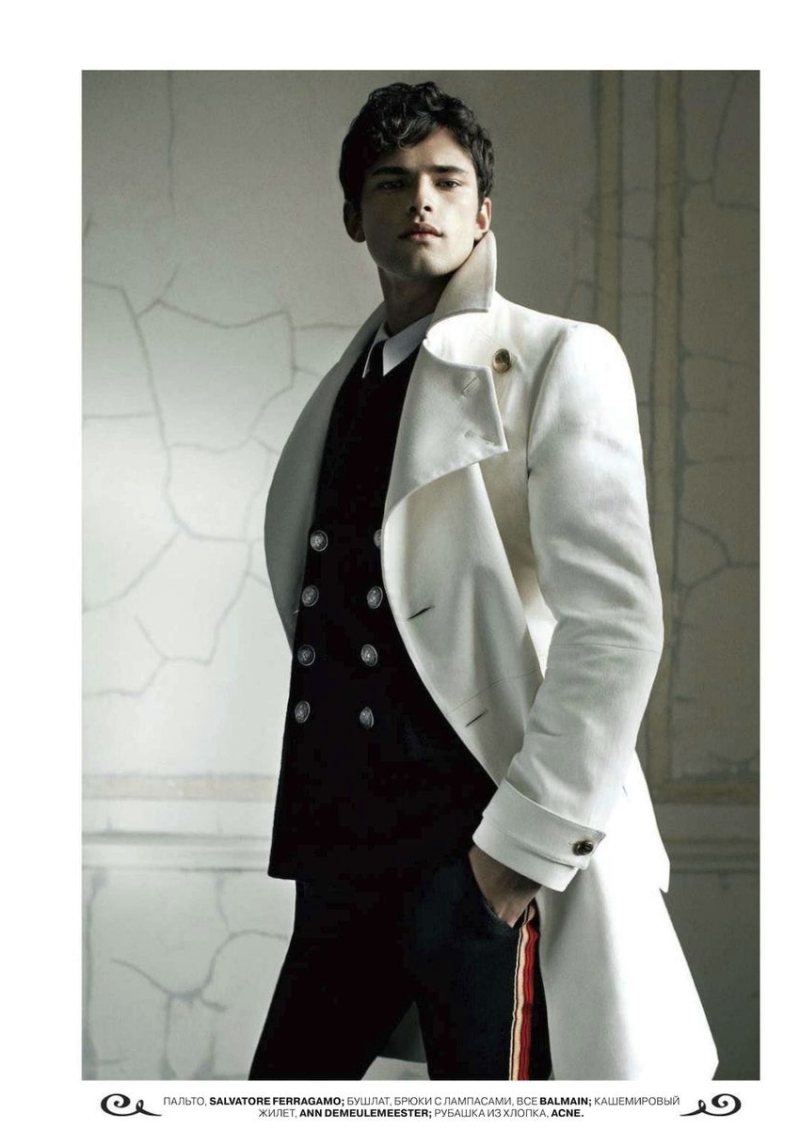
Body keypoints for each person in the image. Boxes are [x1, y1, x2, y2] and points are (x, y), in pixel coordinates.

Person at [248, 81, 718, 1081]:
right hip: (340, 846)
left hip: (477, 849)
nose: (419, 199)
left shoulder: (556, 358)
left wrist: (513, 856)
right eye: (389, 182)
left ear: (482, 210)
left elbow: (615, 624)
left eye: (445, 180)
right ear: (353, 217)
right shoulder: (346, 388)